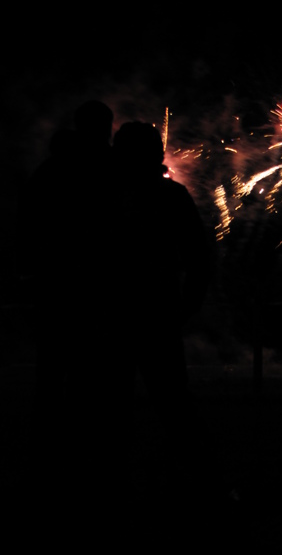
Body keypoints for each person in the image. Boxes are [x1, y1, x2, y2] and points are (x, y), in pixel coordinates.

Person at [16, 100, 115, 521]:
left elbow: (27, 227)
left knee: (53, 377)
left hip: (56, 289)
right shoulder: (110, 170)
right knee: (90, 381)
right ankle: (85, 469)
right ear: (104, 128)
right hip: (93, 291)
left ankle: (45, 469)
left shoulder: (50, 170)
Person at [107, 122, 214, 501]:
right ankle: (198, 481)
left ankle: (109, 480)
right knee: (172, 400)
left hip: (112, 314)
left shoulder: (98, 196)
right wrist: (187, 306)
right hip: (156, 311)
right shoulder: (171, 196)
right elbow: (199, 259)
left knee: (109, 403)